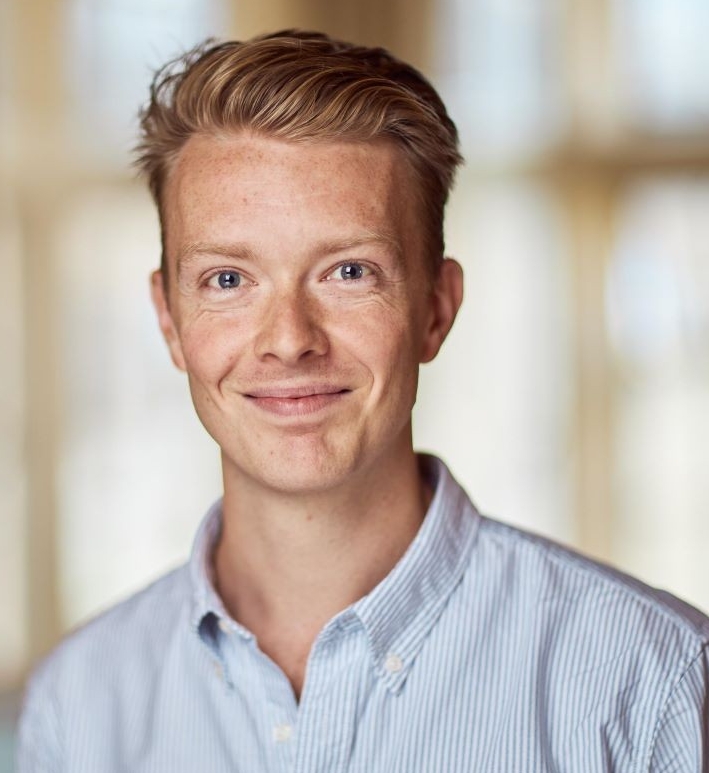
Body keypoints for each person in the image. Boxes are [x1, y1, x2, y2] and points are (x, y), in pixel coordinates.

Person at [18, 29, 708, 772]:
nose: (288, 340)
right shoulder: (78, 707)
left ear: (436, 308)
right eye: (226, 280)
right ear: (168, 319)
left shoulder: (648, 681)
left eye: (348, 272)